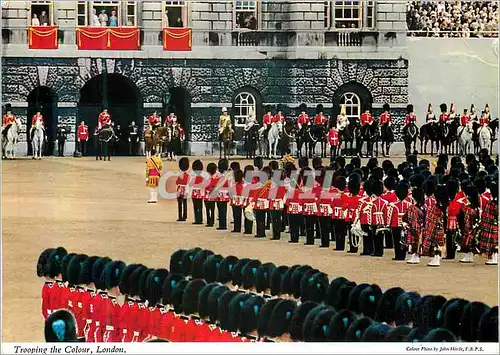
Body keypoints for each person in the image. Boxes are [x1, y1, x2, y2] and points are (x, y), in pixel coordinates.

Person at [421, 185, 449, 267]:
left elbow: (429, 219)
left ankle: (435, 259)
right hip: (442, 228)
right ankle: (437, 259)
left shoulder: (433, 207)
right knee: (440, 244)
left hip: (433, 228)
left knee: (434, 244)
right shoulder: (446, 206)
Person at [478, 181, 498, 265]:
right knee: (494, 243)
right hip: (493, 223)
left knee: (492, 243)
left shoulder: (492, 203)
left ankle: (494, 258)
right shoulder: (493, 201)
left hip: (492, 223)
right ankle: (494, 258)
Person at [176, 157, 190, 222]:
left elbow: (177, 182)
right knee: (185, 203)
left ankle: (180, 216)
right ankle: (185, 216)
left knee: (180, 204)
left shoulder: (180, 175)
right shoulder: (187, 175)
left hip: (179, 190)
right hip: (185, 189)